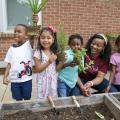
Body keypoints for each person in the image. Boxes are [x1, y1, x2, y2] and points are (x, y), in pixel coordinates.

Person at [3, 24, 33, 100]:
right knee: (17, 99)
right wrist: (5, 77)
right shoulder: (11, 48)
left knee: (27, 98)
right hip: (14, 80)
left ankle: (27, 111)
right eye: (15, 31)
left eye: (19, 32)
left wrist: (35, 20)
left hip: (26, 79)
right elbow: (9, 64)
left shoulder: (28, 45)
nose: (16, 33)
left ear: (26, 35)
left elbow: (33, 34)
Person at [34, 26, 58, 99]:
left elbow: (55, 69)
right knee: (42, 100)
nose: (45, 40)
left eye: (48, 38)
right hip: (43, 81)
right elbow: (38, 69)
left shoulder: (53, 52)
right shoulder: (38, 52)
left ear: (53, 40)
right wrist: (49, 62)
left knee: (52, 98)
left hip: (52, 80)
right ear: (39, 39)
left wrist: (62, 62)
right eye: (43, 37)